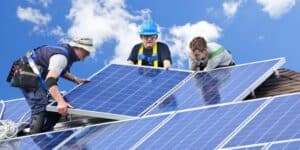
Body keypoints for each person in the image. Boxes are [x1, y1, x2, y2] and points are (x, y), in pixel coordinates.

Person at [7, 37, 95, 134]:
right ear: (78, 48)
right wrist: (61, 102)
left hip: (31, 72)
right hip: (26, 75)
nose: (87, 56)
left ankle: (44, 132)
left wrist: (75, 79)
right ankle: (34, 136)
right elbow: (50, 80)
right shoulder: (62, 57)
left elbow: (58, 69)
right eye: (86, 53)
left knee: (54, 105)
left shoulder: (66, 52)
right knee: (40, 105)